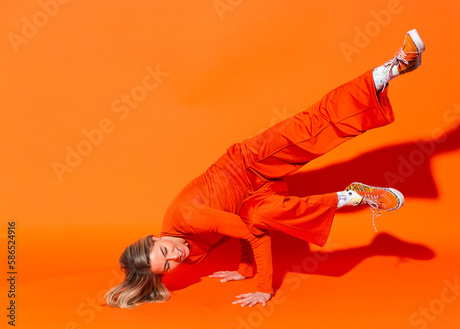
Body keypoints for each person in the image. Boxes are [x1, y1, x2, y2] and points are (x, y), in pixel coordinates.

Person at [104, 29, 425, 308]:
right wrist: (243, 270)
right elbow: (242, 226)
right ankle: (353, 197)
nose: (177, 256)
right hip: (253, 195)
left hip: (248, 163)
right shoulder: (188, 252)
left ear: (153, 238)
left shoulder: (187, 219)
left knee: (315, 125)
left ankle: (392, 69)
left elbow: (253, 237)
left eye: (165, 250)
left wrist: (262, 288)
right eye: (169, 266)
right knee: (260, 214)